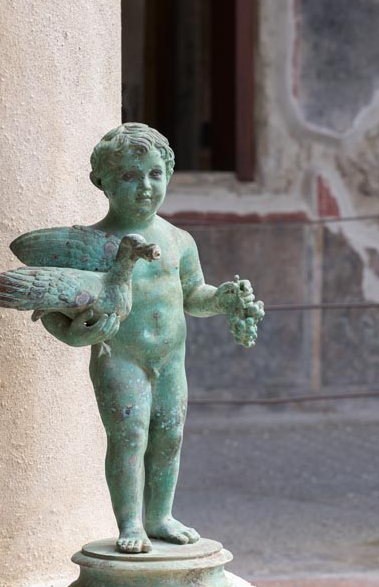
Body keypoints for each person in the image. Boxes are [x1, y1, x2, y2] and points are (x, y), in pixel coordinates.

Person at [40, 123, 264, 553]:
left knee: (170, 435)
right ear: (101, 182)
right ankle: (131, 524)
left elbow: (193, 295)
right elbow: (57, 306)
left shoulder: (179, 240)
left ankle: (159, 516)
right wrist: (72, 333)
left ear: (169, 173)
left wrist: (223, 299)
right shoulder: (94, 245)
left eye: (154, 173)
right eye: (129, 175)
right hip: (119, 356)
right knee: (129, 435)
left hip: (171, 359)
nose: (145, 186)